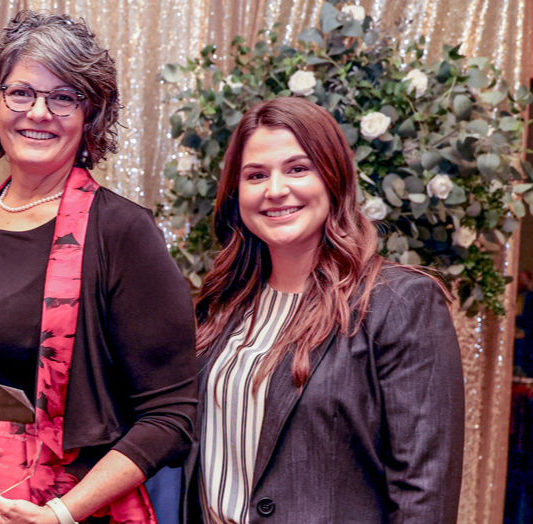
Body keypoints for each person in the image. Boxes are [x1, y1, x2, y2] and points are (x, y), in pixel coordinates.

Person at [0, 11, 198, 524]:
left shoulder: (121, 232)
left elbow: (171, 415)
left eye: (63, 97)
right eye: (21, 93)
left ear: (91, 116)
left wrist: (61, 513)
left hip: (57, 511)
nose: (39, 112)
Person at [182, 96, 464, 523]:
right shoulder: (221, 305)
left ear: (333, 177)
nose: (275, 190)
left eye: (297, 168)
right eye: (256, 175)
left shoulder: (399, 302)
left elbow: (424, 492)